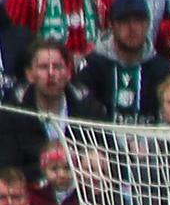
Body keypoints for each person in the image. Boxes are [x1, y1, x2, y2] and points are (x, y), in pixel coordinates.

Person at [0, 38, 107, 168]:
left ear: (68, 72)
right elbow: (8, 167)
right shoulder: (14, 111)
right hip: (33, 180)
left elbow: (110, 151)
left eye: (57, 66)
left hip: (80, 178)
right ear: (30, 74)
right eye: (43, 67)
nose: (51, 73)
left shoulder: (88, 107)